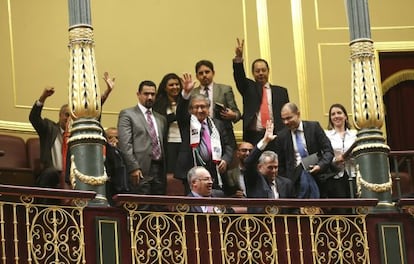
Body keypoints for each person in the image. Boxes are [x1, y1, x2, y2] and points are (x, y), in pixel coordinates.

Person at [175, 73, 235, 196]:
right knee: (195, 205)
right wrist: (186, 93)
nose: (200, 110)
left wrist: (226, 159)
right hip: (191, 168)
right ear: (191, 110)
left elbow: (229, 145)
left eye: (203, 107)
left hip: (214, 169)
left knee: (215, 204)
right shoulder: (187, 122)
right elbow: (180, 111)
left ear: (208, 108)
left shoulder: (218, 124)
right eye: (196, 107)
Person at [233, 38, 290, 145]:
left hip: (276, 135)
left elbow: (286, 114)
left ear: (268, 71)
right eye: (257, 71)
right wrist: (239, 58)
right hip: (254, 136)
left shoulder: (281, 92)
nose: (260, 73)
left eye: (263, 70)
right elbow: (239, 76)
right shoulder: (248, 88)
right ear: (253, 73)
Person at [117, 80, 167, 200]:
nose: (150, 97)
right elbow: (125, 144)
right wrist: (133, 167)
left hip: (159, 168)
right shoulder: (128, 114)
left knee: (159, 206)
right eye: (146, 94)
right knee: (141, 206)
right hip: (140, 168)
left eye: (153, 94)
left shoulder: (160, 118)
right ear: (138, 94)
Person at [272, 102, 334, 198]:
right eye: (283, 119)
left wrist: (320, 166)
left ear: (298, 114)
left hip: (319, 173)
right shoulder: (281, 136)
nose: (286, 122)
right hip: (294, 179)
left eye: (289, 118)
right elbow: (281, 165)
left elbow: (328, 151)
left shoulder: (314, 127)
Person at [244, 120, 295, 214]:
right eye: (270, 167)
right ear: (259, 167)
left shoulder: (286, 184)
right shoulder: (254, 180)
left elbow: (293, 209)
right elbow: (248, 162)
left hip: (282, 225)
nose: (274, 171)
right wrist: (265, 141)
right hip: (259, 224)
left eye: (276, 167)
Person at [29, 87, 70, 189]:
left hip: (70, 176)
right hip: (51, 174)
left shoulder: (76, 137)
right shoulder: (49, 128)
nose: (69, 119)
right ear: (60, 115)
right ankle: (44, 205)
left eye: (72, 116)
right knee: (51, 173)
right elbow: (34, 118)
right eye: (67, 115)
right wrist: (43, 98)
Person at [192, 60, 241, 135]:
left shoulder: (225, 90)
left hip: (223, 134)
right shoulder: (192, 93)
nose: (204, 75)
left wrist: (233, 115)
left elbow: (237, 113)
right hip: (200, 134)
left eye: (207, 72)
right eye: (201, 73)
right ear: (197, 76)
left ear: (213, 73)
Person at [323, 103, 357, 200]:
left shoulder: (355, 134)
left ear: (345, 116)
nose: (336, 116)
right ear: (330, 118)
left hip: (353, 173)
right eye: (333, 114)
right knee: (340, 207)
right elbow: (324, 154)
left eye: (339, 113)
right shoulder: (326, 135)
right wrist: (334, 160)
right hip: (335, 175)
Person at [153, 73, 182, 176]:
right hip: (167, 143)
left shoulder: (185, 101)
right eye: (171, 85)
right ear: (165, 88)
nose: (175, 87)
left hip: (184, 143)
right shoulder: (158, 103)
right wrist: (173, 117)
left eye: (177, 84)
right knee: (170, 174)